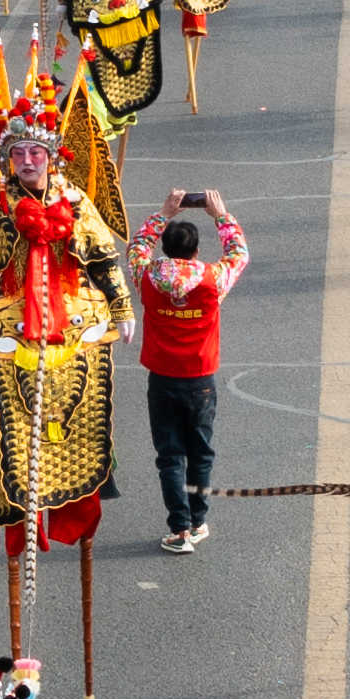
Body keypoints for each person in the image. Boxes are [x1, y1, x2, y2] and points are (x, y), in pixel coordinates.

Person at [134, 186, 248, 553]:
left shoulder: (149, 277)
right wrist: (221, 216)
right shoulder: (213, 280)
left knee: (170, 456)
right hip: (199, 380)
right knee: (200, 453)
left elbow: (136, 247)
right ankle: (198, 522)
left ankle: (179, 529)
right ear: (196, 251)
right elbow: (239, 253)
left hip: (162, 379)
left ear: (165, 248)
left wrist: (162, 213)